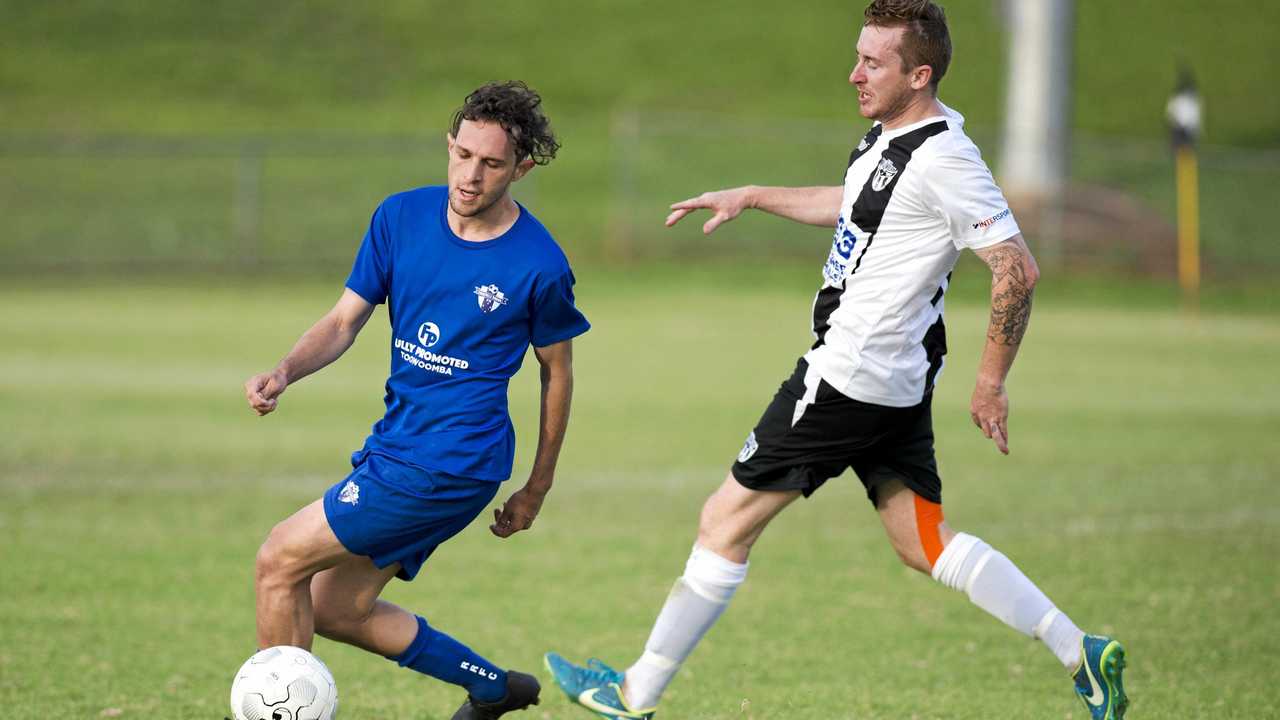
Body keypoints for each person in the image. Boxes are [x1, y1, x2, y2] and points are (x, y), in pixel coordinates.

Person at [545, 2, 1127, 719]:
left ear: (919, 74)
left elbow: (1016, 269)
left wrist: (990, 382)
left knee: (723, 522)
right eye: (857, 57)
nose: (853, 74)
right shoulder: (891, 139)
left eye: (871, 63)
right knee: (923, 542)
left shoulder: (945, 158)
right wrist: (752, 195)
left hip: (848, 378)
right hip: (895, 385)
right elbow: (855, 204)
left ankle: (634, 695)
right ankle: (1081, 652)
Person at [244, 81, 589, 720]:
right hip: (398, 445)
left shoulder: (539, 263)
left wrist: (537, 485)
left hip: (451, 460)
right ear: (449, 145)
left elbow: (557, 373)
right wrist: (286, 370)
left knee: (278, 559)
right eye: (463, 155)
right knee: (334, 608)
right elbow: (345, 319)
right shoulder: (399, 218)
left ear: (521, 168)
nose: (471, 175)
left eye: (491, 164)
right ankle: (492, 688)